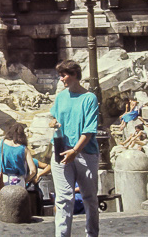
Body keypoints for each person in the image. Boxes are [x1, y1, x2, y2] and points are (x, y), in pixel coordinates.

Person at [50, 59, 99, 237]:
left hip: (84, 153)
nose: (61, 79)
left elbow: (89, 130)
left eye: (64, 75)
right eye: (60, 76)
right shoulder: (61, 96)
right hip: (61, 150)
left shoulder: (89, 98)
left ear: (75, 75)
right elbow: (54, 116)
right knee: (63, 199)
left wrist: (75, 151)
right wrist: (53, 122)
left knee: (90, 198)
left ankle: (92, 234)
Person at [0, 122, 37, 187]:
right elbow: (33, 170)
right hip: (18, 180)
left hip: (2, 178)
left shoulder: (1, 143)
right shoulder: (24, 148)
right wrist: (25, 180)